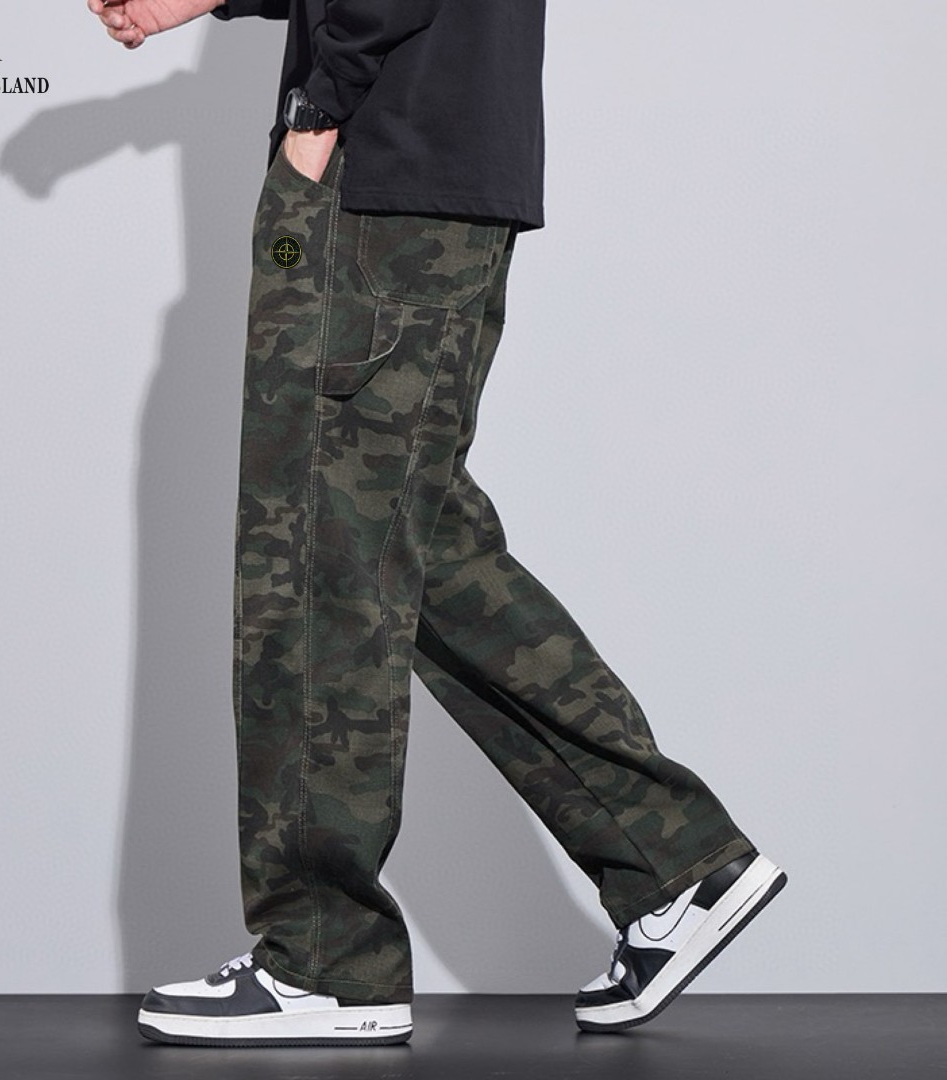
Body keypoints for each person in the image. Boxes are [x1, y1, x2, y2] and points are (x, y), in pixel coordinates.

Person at [88, 0, 787, 1047]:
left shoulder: (349, 133)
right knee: (400, 541)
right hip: (424, 177)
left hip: (379, 183)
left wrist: (319, 111)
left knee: (319, 559)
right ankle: (675, 859)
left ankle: (327, 959)